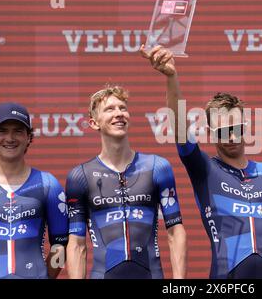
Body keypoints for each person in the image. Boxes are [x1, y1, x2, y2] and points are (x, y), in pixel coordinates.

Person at [140, 45, 262, 279]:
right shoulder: (205, 170)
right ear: (210, 133)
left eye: (236, 129)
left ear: (246, 127)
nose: (230, 137)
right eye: (222, 132)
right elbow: (180, 129)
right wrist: (172, 77)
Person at [65, 82, 187, 279]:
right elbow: (77, 244)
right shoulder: (80, 176)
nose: (119, 113)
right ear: (94, 123)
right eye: (110, 109)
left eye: (123, 108)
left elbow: (175, 232)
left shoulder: (157, 167)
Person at [0, 102, 68, 279]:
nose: (10, 138)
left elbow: (60, 247)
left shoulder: (48, 184)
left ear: (29, 137)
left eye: (18, 131)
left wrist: (46, 277)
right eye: (2, 131)